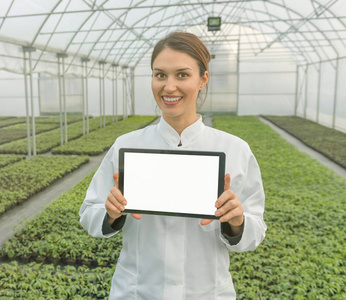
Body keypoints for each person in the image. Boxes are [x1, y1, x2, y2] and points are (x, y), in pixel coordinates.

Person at [79, 31, 266, 299]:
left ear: (203, 79)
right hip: (138, 291)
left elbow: (255, 229)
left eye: (182, 75)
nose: (168, 87)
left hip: (206, 291)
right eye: (160, 75)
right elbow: (89, 212)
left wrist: (236, 222)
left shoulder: (235, 150)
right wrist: (111, 214)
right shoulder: (126, 146)